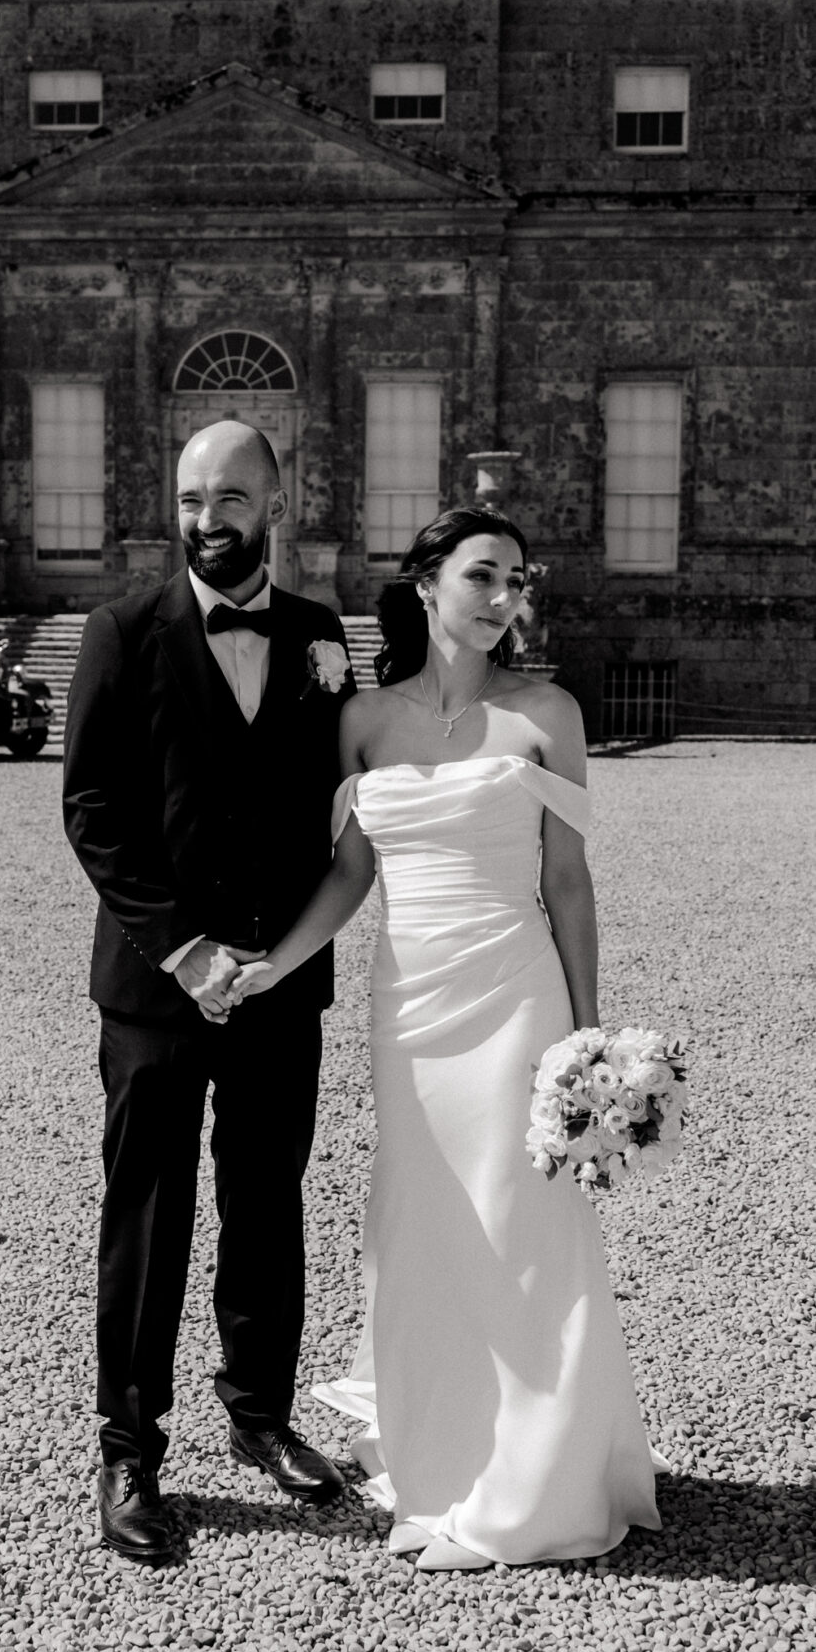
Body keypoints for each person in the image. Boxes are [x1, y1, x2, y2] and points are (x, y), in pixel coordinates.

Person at [226, 507, 664, 1572]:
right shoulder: (364, 723)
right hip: (408, 1005)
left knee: (523, 1227)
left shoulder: (547, 711)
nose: (501, 595)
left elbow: (566, 881)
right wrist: (271, 966)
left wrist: (586, 1042)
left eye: (515, 579)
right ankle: (446, 1456)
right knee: (428, 1225)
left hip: (516, 1002)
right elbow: (349, 876)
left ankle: (536, 1478)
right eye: (481, 574)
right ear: (426, 585)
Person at [63, 420, 356, 1564]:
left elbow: (342, 805)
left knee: (267, 1204)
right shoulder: (120, 631)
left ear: (275, 504)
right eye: (190, 497)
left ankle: (262, 1415)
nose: (206, 518)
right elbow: (94, 811)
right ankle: (129, 1446)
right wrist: (185, 950)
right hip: (155, 989)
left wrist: (276, 952)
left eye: (231, 497)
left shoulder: (325, 638)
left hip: (282, 984)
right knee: (147, 1214)